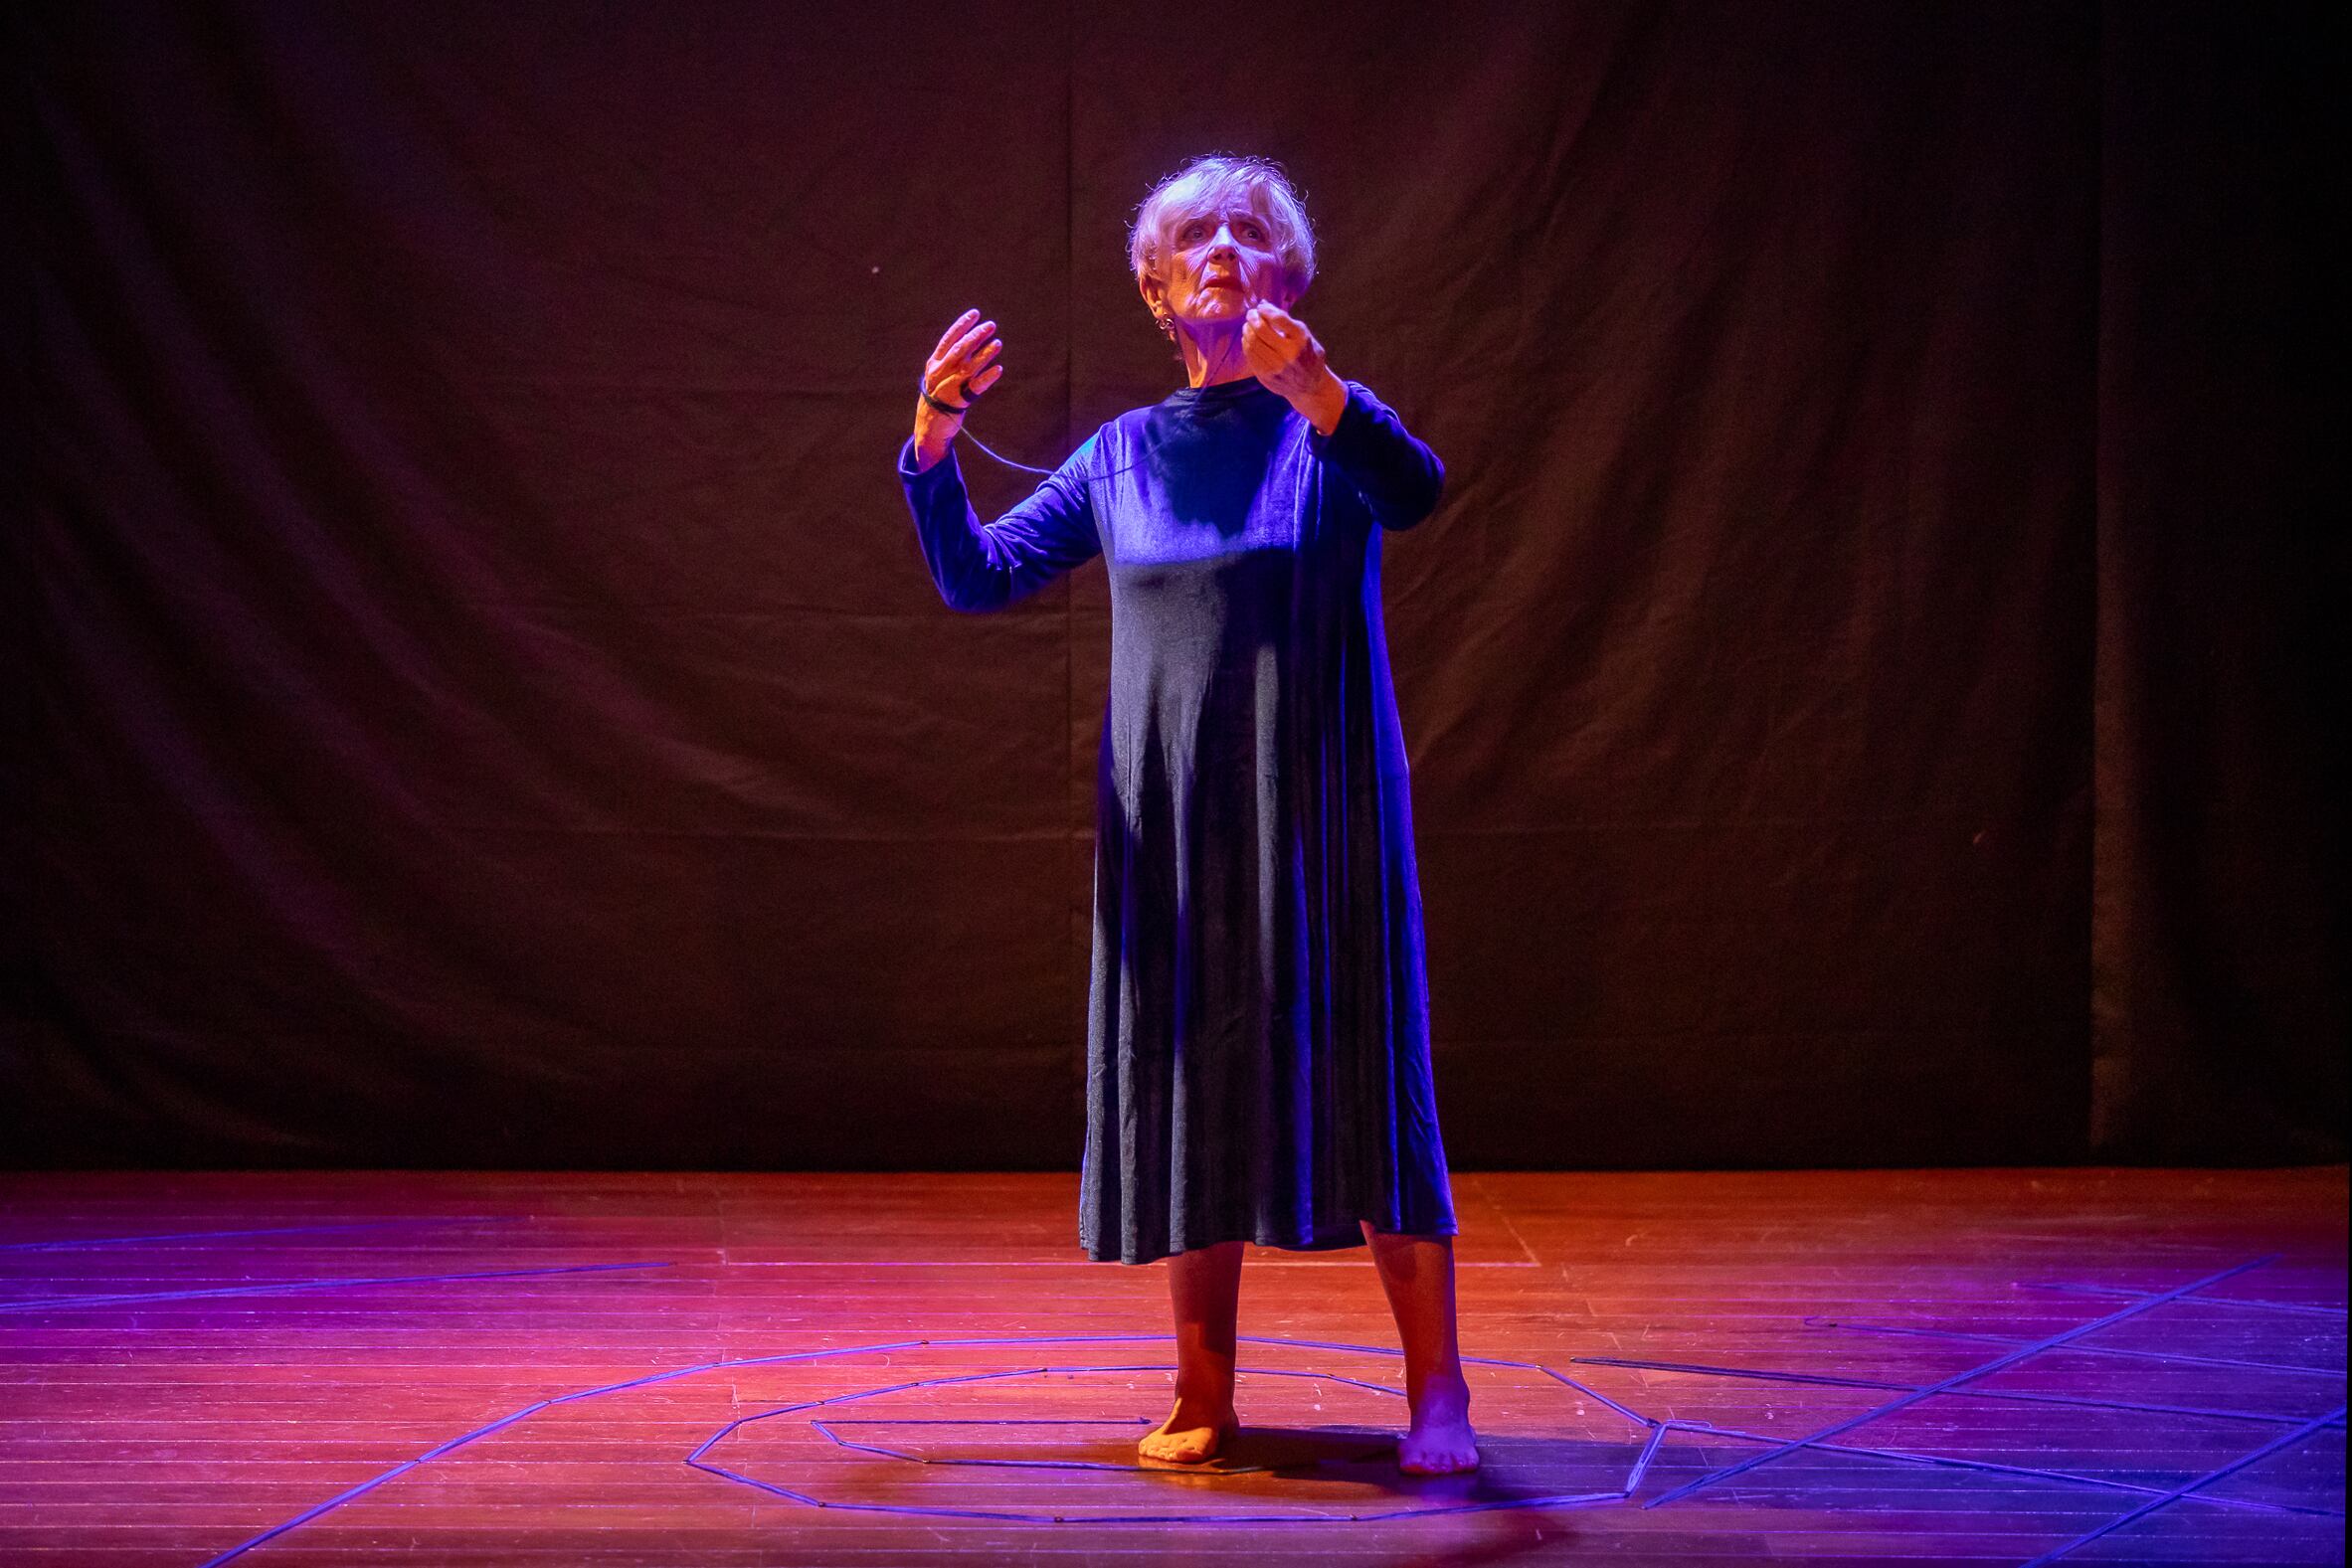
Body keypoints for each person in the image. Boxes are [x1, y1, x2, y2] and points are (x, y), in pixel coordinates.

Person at [895, 154, 1477, 1476]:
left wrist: (1318, 388)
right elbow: (979, 579)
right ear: (1157, 290)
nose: (1222, 246)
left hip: (1318, 799)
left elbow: (1417, 490)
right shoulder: (1121, 456)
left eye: (1249, 232)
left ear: (1290, 277)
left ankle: (1438, 1390)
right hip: (1168, 819)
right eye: (1192, 238)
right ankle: (1201, 1390)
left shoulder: (1324, 431)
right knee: (1186, 1079)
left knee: (1368, 1074)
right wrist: (931, 445)